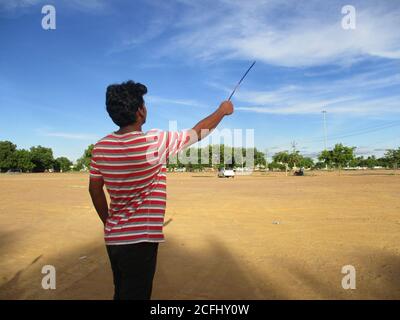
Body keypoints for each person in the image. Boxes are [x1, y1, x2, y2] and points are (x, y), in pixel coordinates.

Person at [88, 80, 233, 300]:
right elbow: (197, 132)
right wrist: (222, 111)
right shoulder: (155, 141)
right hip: (141, 241)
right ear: (139, 111)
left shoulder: (101, 147)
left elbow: (95, 190)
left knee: (122, 290)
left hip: (114, 238)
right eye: (144, 105)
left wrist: (108, 222)